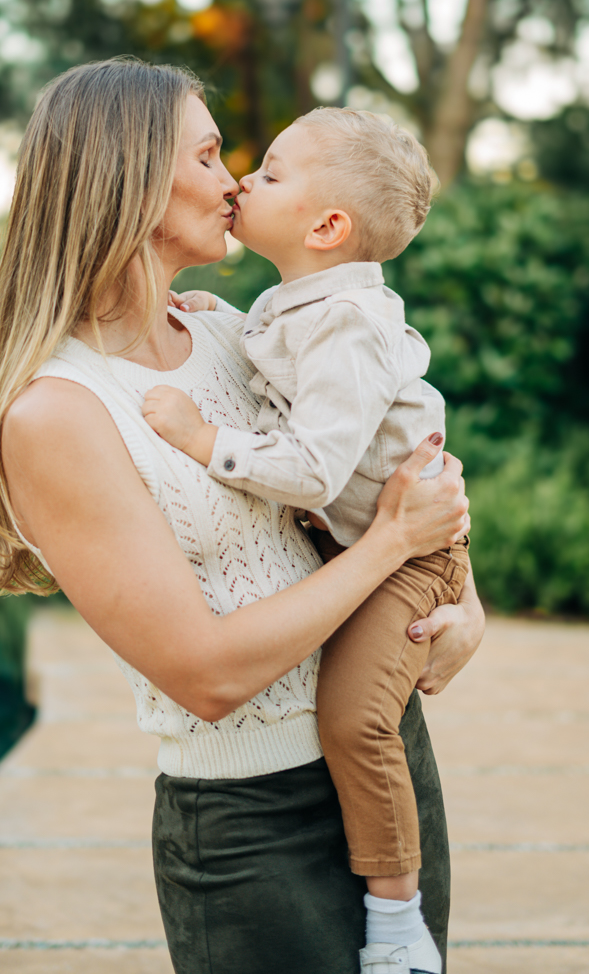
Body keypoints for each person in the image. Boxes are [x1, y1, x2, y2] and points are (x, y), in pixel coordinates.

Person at [0, 58, 484, 974]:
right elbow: (205, 675)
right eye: (209, 155)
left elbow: (383, 470)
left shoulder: (233, 334)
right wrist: (392, 547)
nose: (235, 180)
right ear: (128, 181)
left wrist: (460, 601)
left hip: (385, 759)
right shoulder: (60, 413)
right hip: (250, 824)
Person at [142, 107, 468, 974]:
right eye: (217, 159)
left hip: (400, 553)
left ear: (328, 227)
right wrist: (225, 316)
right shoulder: (290, 307)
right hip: (378, 543)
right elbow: (288, 366)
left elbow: (318, 469)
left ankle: (397, 922)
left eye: (269, 173)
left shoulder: (352, 323)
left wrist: (205, 441)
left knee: (356, 720)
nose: (243, 180)